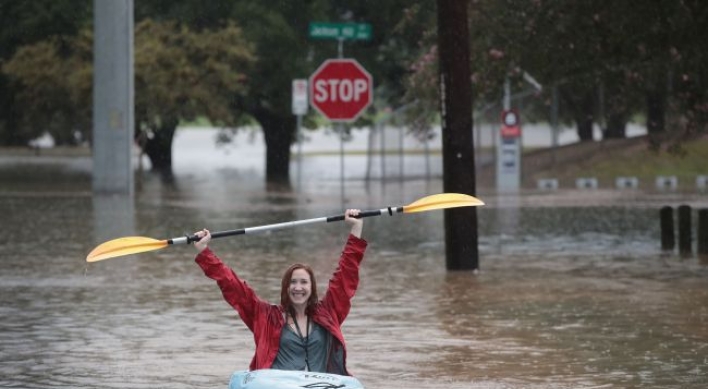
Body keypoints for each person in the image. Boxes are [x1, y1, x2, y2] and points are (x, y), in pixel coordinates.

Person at [192, 209, 367, 376]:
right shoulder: (265, 316)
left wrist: (356, 228)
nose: (298, 287)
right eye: (293, 282)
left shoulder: (329, 313)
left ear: (312, 287)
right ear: (285, 287)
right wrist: (204, 252)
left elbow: (345, 275)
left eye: (304, 282)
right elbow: (233, 287)